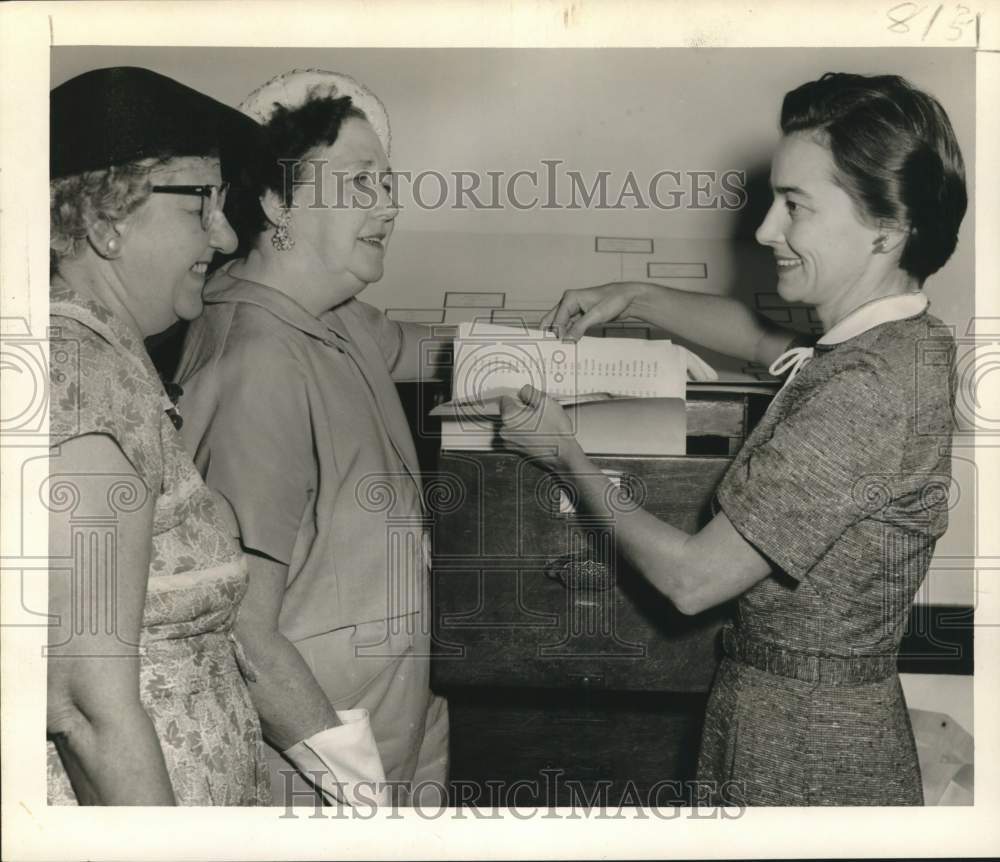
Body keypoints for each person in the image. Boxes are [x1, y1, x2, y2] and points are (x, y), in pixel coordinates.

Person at [497, 73, 965, 806]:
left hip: (804, 744)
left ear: (886, 225)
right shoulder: (899, 343)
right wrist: (635, 296)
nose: (765, 230)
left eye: (795, 206)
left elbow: (693, 581)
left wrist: (565, 452)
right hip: (811, 718)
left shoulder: (864, 390)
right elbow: (758, 340)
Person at [47, 67, 385, 806]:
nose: (226, 234)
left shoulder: (110, 362)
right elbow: (83, 708)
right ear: (106, 218)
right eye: (201, 203)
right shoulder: (86, 380)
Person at [174, 69, 449, 806]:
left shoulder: (335, 319)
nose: (390, 207)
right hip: (315, 776)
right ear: (275, 200)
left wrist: (599, 348)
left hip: (390, 737)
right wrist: (360, 792)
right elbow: (243, 632)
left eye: (389, 185)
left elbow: (438, 351)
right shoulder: (261, 361)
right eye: (361, 183)